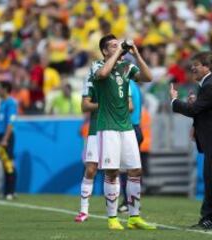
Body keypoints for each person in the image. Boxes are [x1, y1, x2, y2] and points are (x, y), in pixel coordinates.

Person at [91, 34, 155, 230]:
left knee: (135, 170)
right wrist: (120, 51)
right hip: (107, 127)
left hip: (126, 127)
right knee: (112, 172)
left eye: (118, 45)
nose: (118, 47)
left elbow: (148, 77)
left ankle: (134, 216)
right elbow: (102, 74)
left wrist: (136, 54)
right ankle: (112, 218)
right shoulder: (96, 65)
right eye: (112, 46)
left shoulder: (127, 67)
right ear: (104, 51)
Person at [170, 51, 212, 229]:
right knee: (211, 179)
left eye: (196, 65)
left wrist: (175, 101)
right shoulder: (209, 84)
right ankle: (211, 217)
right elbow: (203, 108)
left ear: (207, 66)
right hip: (209, 139)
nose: (192, 68)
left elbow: (195, 109)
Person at [74, 67, 99, 222]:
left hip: (116, 129)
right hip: (95, 130)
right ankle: (84, 211)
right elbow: (85, 106)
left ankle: (115, 214)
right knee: (90, 169)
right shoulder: (92, 80)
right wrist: (104, 104)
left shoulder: (122, 80)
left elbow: (130, 107)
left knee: (114, 171)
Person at [118, 80, 143, 213]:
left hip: (129, 128)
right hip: (136, 127)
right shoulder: (135, 85)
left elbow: (129, 107)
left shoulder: (125, 83)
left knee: (125, 169)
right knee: (131, 168)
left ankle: (129, 202)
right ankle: (132, 200)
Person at [0, 81, 18, 200]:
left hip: (6, 136)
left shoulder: (10, 103)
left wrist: (5, 138)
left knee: (9, 163)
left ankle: (10, 191)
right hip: (0, 135)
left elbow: (11, 122)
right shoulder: (2, 103)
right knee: (5, 164)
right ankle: (7, 191)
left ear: (5, 89)